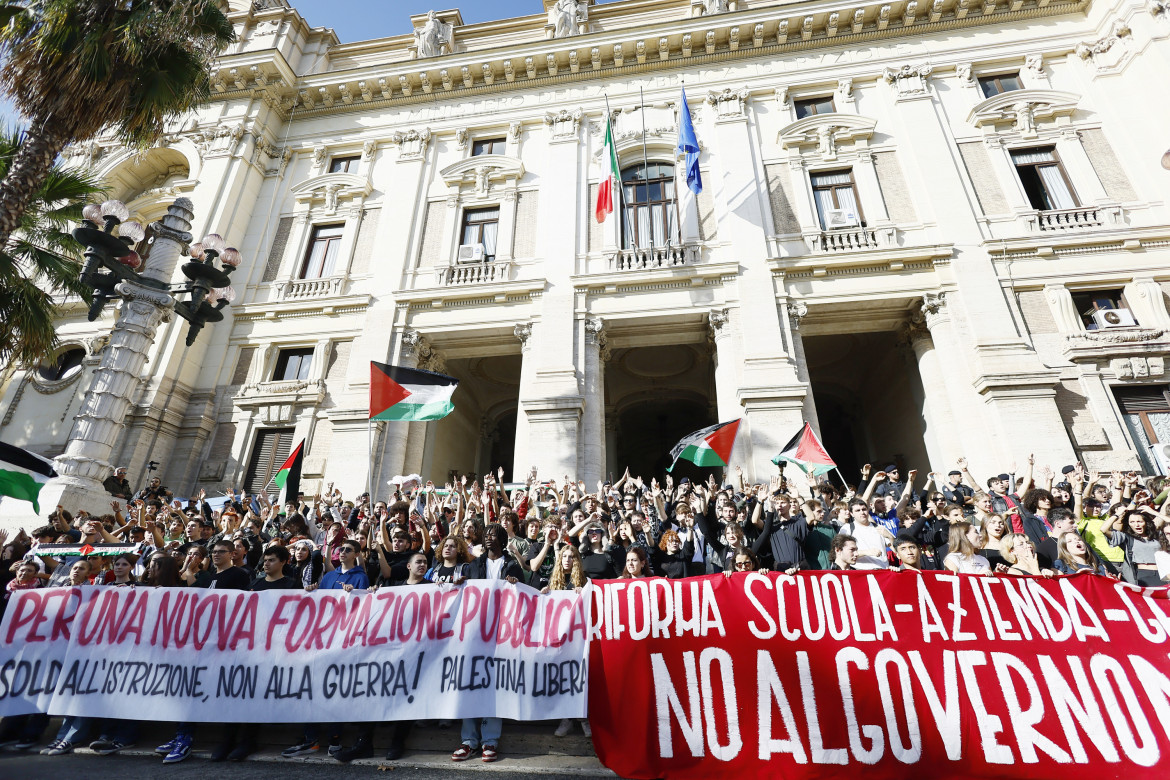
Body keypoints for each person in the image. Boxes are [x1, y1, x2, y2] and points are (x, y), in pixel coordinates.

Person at [157, 540, 249, 764]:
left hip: (225, 643)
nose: (216, 555)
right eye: (214, 552)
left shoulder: (239, 574)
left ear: (233, 553)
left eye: (221, 552)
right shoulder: (208, 577)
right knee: (190, 688)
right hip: (201, 643)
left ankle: (223, 740)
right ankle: (182, 736)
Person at [334, 553, 429, 763]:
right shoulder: (392, 587)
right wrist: (368, 594)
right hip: (389, 652)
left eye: (425, 562)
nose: (422, 565)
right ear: (408, 566)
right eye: (418, 562)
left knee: (407, 698)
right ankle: (363, 743)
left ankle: (398, 743)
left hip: (417, 655)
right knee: (372, 694)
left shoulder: (433, 588)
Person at [453, 524, 521, 763]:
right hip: (475, 634)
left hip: (501, 635)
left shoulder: (512, 565)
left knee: (493, 687)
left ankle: (490, 741)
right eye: (486, 534)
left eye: (493, 534)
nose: (489, 537)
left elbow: (524, 597)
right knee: (470, 685)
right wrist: (459, 585)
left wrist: (515, 585)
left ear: (502, 539)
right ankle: (468, 741)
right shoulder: (473, 566)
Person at [545, 546, 591, 739]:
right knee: (563, 678)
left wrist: (585, 593)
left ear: (576, 560)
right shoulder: (554, 581)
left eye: (571, 557)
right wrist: (545, 594)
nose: (567, 559)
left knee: (579, 677)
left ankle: (583, 718)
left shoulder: (584, 580)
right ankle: (566, 719)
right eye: (564, 556)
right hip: (558, 638)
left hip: (578, 639)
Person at [1102, 507, 1165, 587]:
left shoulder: (1158, 535)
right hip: (1142, 574)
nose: (1136, 525)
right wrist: (1117, 514)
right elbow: (1104, 529)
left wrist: (1155, 513)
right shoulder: (1126, 537)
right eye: (1132, 522)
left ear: (1146, 522)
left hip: (1163, 573)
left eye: (1139, 521)